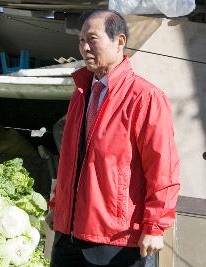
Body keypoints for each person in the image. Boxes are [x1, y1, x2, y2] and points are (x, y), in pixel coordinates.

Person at [46, 10, 180, 267]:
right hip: (69, 235)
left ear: (119, 41)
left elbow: (163, 169)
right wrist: (58, 205)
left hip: (118, 241)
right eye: (81, 40)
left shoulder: (145, 97)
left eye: (92, 39)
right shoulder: (81, 94)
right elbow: (70, 161)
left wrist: (155, 226)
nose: (84, 47)